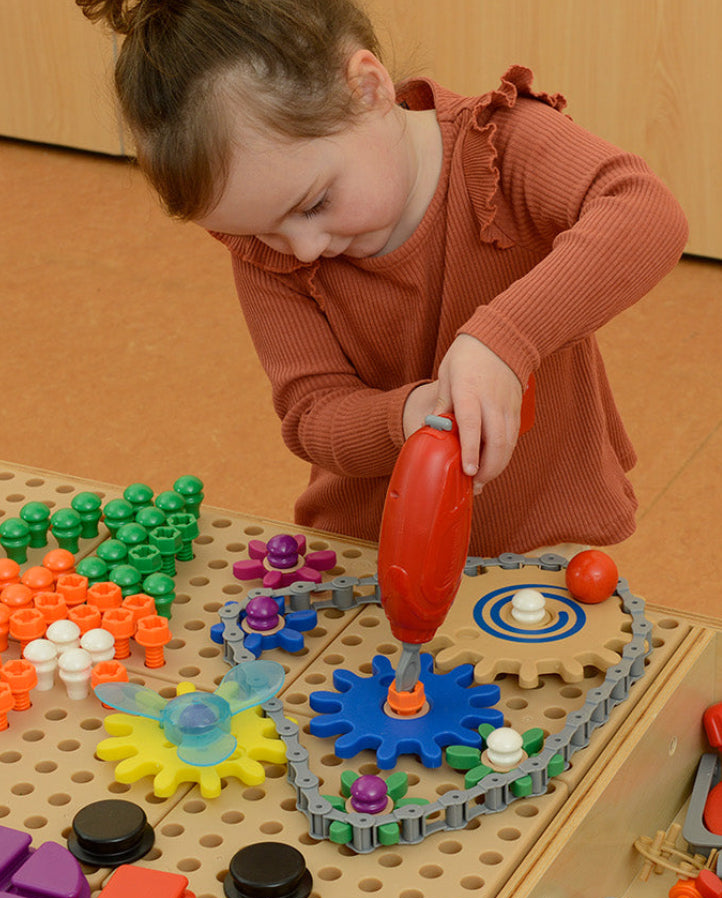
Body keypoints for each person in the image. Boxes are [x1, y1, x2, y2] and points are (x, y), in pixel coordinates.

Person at [76, 0, 688, 555]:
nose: (304, 249)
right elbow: (313, 413)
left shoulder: (503, 147)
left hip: (541, 538)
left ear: (368, 88)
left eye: (314, 204)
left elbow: (645, 210)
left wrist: (505, 340)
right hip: (369, 549)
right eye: (263, 231)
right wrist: (410, 415)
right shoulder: (269, 248)